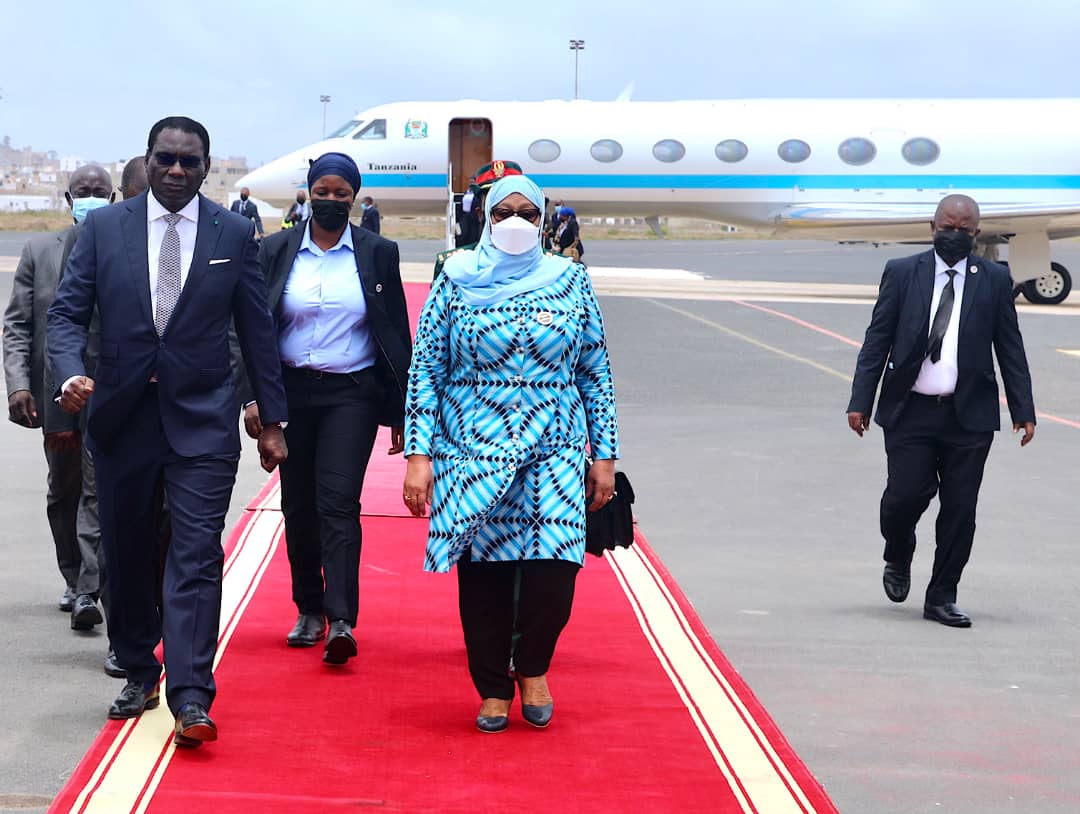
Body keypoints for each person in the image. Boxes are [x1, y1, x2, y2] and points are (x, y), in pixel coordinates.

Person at [47, 115, 289, 747]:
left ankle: (191, 695)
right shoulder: (104, 228)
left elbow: (257, 330)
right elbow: (67, 315)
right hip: (122, 419)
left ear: (206, 168)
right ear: (148, 161)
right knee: (125, 554)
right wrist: (69, 374)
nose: (177, 170)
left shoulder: (233, 231)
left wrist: (271, 418)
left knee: (197, 555)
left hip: (202, 420)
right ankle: (137, 668)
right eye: (166, 159)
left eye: (190, 161)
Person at [403, 174, 619, 732]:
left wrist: (605, 454)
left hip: (556, 446)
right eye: (504, 213)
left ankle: (534, 666)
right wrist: (419, 457)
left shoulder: (570, 279)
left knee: (554, 575)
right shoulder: (456, 276)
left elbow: (594, 370)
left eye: (528, 212)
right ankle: (493, 686)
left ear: (543, 220)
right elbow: (426, 369)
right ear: (485, 218)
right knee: (486, 576)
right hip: (474, 447)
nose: (516, 222)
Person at [237, 152, 411, 664]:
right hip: (289, 392)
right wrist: (254, 397)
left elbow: (396, 333)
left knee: (338, 502)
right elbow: (250, 328)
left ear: (354, 198)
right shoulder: (274, 249)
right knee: (298, 504)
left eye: (341, 194)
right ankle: (308, 608)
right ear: (308, 193)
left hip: (351, 394)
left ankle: (341, 619)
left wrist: (402, 411)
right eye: (322, 192)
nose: (331, 201)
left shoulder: (378, 253)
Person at [847, 194, 1035, 628]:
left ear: (976, 233)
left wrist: (1022, 408)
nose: (954, 235)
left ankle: (942, 596)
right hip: (910, 409)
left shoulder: (994, 279)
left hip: (969, 415)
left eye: (963, 230)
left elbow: (1010, 347)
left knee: (960, 509)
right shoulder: (901, 273)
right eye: (947, 228)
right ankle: (898, 551)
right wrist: (861, 400)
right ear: (932, 228)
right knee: (905, 496)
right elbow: (877, 340)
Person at [4, 163, 114, 631]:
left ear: (113, 198)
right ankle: (73, 575)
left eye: (99, 191)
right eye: (82, 191)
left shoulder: (120, 247)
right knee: (64, 489)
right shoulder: (38, 250)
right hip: (55, 395)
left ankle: (89, 587)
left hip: (106, 391)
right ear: (68, 200)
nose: (90, 197)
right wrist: (18, 384)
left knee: (96, 488)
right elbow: (17, 324)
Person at [56, 156, 151, 679]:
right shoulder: (91, 239)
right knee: (102, 508)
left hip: (171, 408)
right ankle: (101, 606)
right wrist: (66, 381)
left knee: (160, 522)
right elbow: (62, 319)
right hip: (98, 399)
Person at [433, 159, 523, 281]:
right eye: (493, 201)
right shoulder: (451, 266)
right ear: (480, 213)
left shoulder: (549, 266)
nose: (504, 208)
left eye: (509, 197)